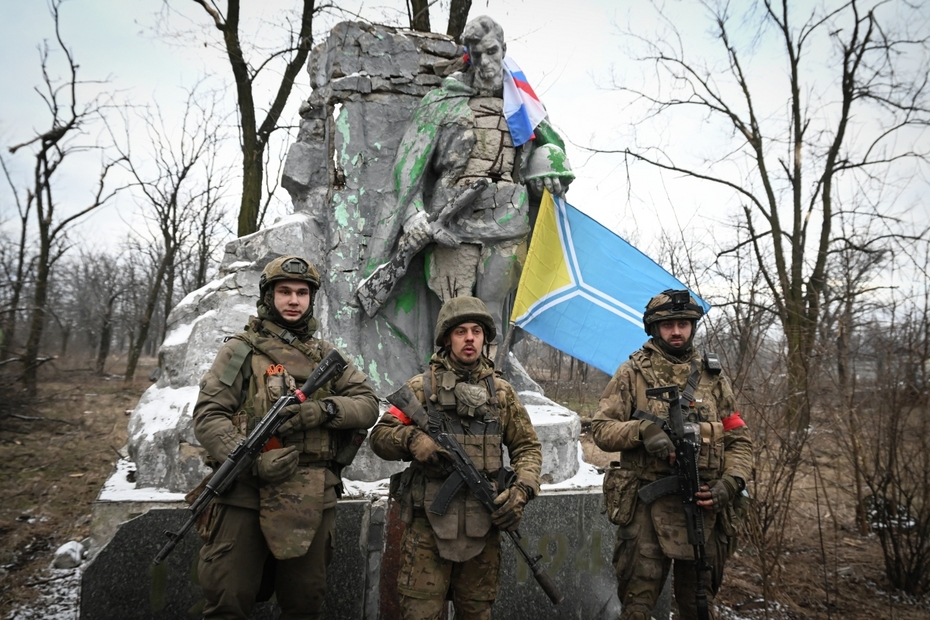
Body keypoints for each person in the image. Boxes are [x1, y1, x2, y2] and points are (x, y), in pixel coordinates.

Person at [192, 255, 379, 620]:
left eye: (301, 293)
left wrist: (322, 411)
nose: (293, 300)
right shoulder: (240, 351)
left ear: (311, 299)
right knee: (228, 601)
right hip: (244, 494)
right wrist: (250, 460)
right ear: (269, 296)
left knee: (304, 603)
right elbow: (208, 416)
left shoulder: (326, 356)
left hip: (311, 495)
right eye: (284, 292)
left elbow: (368, 405)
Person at [364, 15, 574, 336]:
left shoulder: (524, 104)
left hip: (508, 221)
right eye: (478, 55)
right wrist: (414, 217)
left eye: (492, 52)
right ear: (469, 57)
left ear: (503, 49)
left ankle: (493, 385)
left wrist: (551, 167)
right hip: (452, 223)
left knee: (492, 318)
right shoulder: (441, 102)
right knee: (454, 318)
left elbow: (550, 150)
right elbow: (407, 170)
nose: (486, 62)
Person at [369, 296, 542, 619]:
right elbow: (379, 437)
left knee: (477, 612)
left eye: (476, 331)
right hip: (426, 531)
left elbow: (528, 449)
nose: (470, 338)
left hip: (483, 526)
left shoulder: (502, 394)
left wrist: (521, 492)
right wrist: (411, 439)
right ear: (447, 338)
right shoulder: (420, 389)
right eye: (461, 331)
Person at [591, 289, 753, 620]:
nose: (676, 331)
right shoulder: (632, 373)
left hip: (703, 505)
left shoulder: (713, 378)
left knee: (698, 605)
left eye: (683, 324)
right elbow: (601, 429)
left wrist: (731, 483)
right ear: (654, 329)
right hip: (647, 507)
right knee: (637, 605)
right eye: (668, 325)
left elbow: (739, 439)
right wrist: (641, 431)